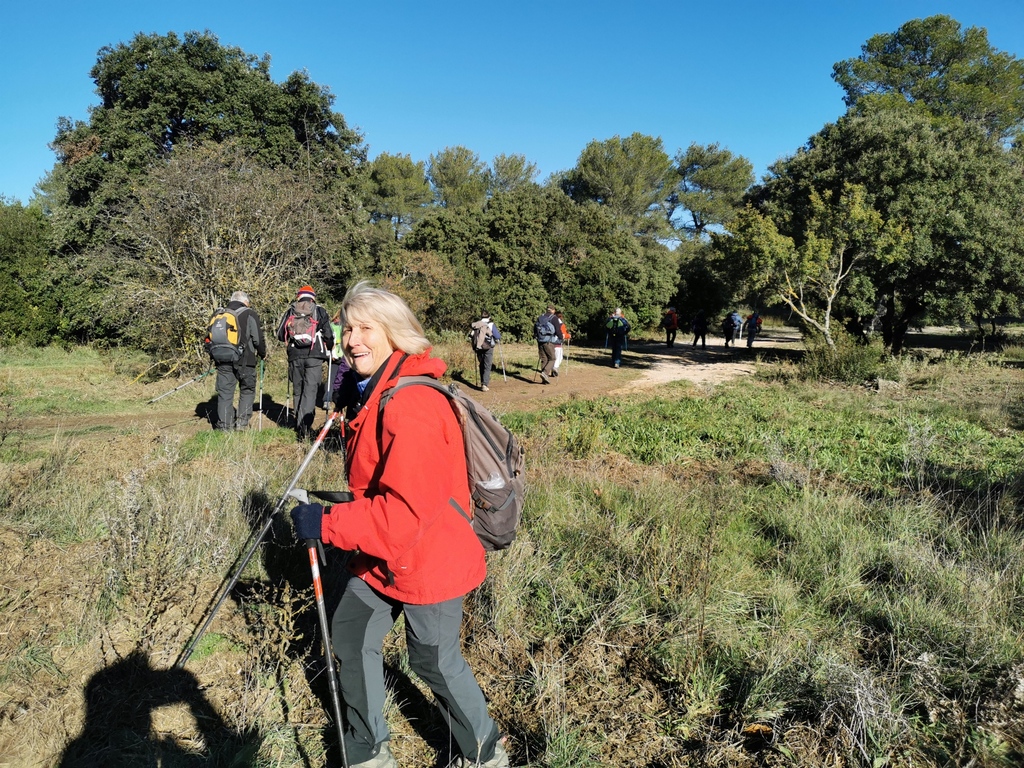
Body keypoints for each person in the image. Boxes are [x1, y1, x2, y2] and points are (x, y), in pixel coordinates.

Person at [289, 281, 513, 768]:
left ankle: (485, 753)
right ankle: (368, 752)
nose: (352, 340)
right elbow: (379, 487)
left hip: (428, 557)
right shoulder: (378, 390)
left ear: (396, 334)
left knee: (432, 659)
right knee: (349, 638)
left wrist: (324, 522)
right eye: (348, 329)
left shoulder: (411, 404)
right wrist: (356, 400)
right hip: (384, 555)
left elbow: (402, 515)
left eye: (366, 328)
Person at [276, 285, 334, 439]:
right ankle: (305, 427)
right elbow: (328, 334)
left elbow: (280, 334)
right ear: (313, 297)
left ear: (299, 297)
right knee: (310, 391)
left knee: (298, 389)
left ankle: (298, 424)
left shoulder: (291, 311)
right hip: (314, 356)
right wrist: (329, 346)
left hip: (295, 355)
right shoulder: (319, 310)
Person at [209, 291, 266, 431]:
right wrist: (263, 353)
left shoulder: (218, 314)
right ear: (246, 302)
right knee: (247, 390)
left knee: (225, 393)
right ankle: (241, 424)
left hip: (223, 360)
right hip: (246, 360)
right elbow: (257, 339)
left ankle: (225, 427)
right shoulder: (249, 313)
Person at [469, 310, 501, 391]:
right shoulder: (491, 324)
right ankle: (484, 384)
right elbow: (497, 336)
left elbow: (470, 336)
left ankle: (482, 382)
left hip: (478, 347)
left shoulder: (477, 324)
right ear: (489, 317)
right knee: (487, 365)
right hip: (488, 347)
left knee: (482, 364)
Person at [534, 305, 560, 384]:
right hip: (549, 341)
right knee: (552, 358)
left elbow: (535, 328)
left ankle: (544, 380)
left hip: (540, 341)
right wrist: (561, 338)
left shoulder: (541, 317)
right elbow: (558, 330)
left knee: (544, 359)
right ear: (553, 310)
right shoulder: (554, 318)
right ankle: (545, 373)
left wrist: (536, 337)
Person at [553, 311, 570, 375]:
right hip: (558, 343)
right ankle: (555, 367)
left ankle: (552, 369)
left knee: (552, 358)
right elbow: (564, 334)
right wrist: (569, 336)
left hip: (550, 343)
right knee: (559, 357)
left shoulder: (551, 322)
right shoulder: (561, 324)